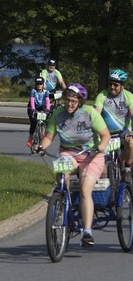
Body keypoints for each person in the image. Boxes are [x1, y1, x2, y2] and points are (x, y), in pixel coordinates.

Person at [36, 83, 110, 247]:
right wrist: (42, 146)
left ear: (80, 102)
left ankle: (87, 232)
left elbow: (105, 135)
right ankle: (63, 202)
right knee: (61, 173)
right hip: (69, 153)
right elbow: (49, 136)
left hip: (91, 156)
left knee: (85, 189)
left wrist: (101, 146)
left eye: (73, 101)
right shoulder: (58, 114)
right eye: (67, 100)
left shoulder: (90, 113)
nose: (69, 104)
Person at [94, 69, 133, 183]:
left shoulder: (128, 96)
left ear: (122, 86)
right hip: (106, 134)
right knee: (102, 172)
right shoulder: (102, 95)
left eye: (116, 85)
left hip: (123, 132)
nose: (112, 87)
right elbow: (96, 115)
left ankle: (127, 168)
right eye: (110, 84)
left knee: (131, 143)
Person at [26, 76, 51, 147]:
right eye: (37, 84)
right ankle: (30, 137)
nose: (39, 85)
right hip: (32, 107)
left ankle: (42, 129)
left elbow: (47, 100)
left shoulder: (46, 92)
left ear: (43, 84)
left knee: (45, 117)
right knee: (33, 122)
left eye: (40, 84)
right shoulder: (33, 91)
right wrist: (33, 109)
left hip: (41, 106)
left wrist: (48, 108)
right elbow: (32, 100)